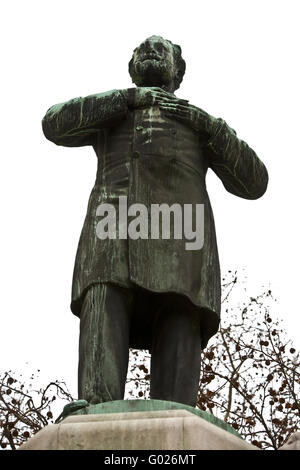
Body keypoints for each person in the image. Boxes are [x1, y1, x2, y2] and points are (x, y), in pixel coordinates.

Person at [42, 35, 268, 407]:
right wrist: (129, 99)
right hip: (114, 225)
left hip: (182, 236)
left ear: (177, 71)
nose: (148, 50)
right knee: (103, 300)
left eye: (159, 49)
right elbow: (55, 123)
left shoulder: (197, 125)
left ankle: (178, 419)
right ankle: (96, 404)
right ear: (132, 69)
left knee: (180, 320)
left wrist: (210, 125)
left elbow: (255, 181)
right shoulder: (115, 111)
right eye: (141, 49)